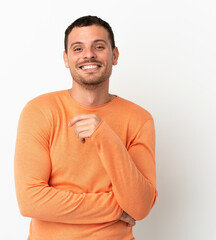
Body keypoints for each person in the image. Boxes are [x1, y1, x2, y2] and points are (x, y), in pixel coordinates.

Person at [14, 15, 157, 240]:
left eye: (98, 46)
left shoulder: (139, 119)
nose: (88, 54)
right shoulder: (40, 111)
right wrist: (117, 208)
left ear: (115, 55)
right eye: (78, 48)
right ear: (66, 58)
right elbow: (30, 200)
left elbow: (140, 206)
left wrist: (105, 137)